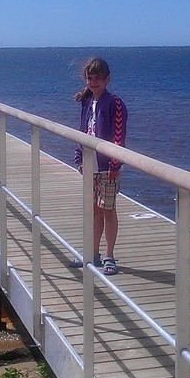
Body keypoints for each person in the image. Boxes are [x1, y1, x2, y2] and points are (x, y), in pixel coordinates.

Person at [73, 57, 127, 276]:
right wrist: (79, 159)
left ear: (107, 79)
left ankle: (109, 255)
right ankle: (92, 253)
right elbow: (82, 131)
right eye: (90, 77)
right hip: (90, 164)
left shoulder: (114, 103)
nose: (93, 82)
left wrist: (115, 163)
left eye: (97, 78)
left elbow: (118, 135)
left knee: (108, 209)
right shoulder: (88, 101)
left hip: (107, 166)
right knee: (94, 209)